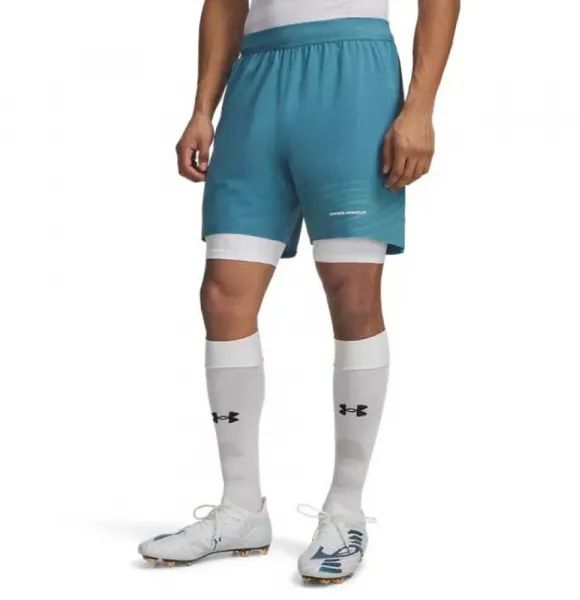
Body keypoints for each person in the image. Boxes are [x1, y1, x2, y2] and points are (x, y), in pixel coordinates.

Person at [138, 0, 459, 584]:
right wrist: (202, 109)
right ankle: (241, 509)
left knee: (352, 294)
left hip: (352, 76)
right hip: (256, 81)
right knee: (222, 294)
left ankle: (345, 511)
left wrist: (420, 107)